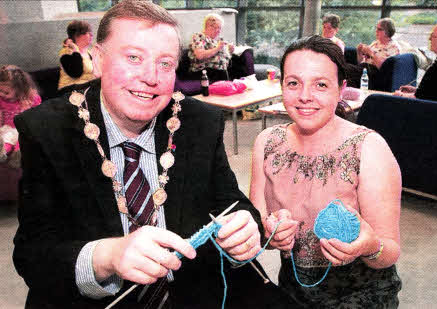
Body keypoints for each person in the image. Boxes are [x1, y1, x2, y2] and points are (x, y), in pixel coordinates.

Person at [13, 1, 296, 308]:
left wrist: (247, 225)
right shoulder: (46, 130)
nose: (151, 77)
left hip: (194, 291)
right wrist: (108, 257)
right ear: (97, 59)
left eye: (165, 64)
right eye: (134, 57)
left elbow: (231, 203)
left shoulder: (198, 121)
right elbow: (33, 254)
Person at [250, 35, 402, 308]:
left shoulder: (368, 148)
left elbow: (388, 252)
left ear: (341, 89)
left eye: (321, 84)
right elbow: (260, 230)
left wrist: (369, 246)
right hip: (293, 291)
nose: (305, 96)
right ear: (281, 84)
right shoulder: (267, 142)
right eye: (293, 83)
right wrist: (271, 232)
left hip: (361, 295)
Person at [394, 16, 437, 102]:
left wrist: (399, 95)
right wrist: (418, 91)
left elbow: (422, 100)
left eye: (433, 36)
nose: (429, 39)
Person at [0, 65, 41, 167]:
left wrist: (28, 110)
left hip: (24, 128)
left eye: (6, 92)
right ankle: (2, 152)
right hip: (8, 128)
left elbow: (39, 115)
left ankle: (18, 156)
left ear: (19, 89)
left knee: (24, 141)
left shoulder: (31, 99)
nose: (2, 94)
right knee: (6, 140)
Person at [188, 13, 235, 82]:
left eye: (220, 28)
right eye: (217, 28)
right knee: (224, 73)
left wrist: (229, 50)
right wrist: (218, 48)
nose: (219, 31)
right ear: (208, 26)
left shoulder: (216, 40)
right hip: (204, 71)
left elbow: (221, 57)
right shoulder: (199, 36)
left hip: (219, 70)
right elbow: (200, 55)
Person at [57, 20, 96, 90]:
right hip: (70, 92)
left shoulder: (89, 53)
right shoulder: (66, 52)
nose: (91, 35)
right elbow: (76, 73)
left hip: (87, 90)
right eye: (88, 32)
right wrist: (76, 49)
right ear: (77, 35)